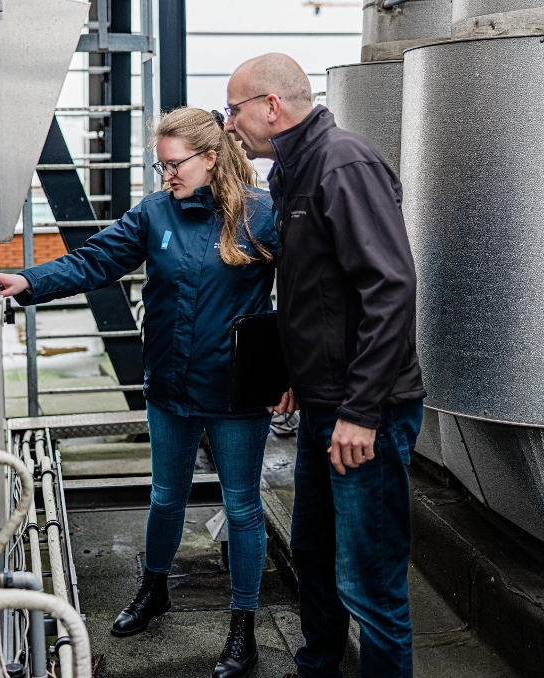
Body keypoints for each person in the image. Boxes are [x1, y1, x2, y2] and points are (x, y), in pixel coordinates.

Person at [0, 107, 281, 678]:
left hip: (236, 393)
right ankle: (155, 590)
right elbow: (97, 260)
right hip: (170, 385)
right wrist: (30, 282)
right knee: (164, 497)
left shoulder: (262, 216)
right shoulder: (156, 213)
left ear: (211, 156)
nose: (167, 176)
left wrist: (293, 375)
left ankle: (242, 627)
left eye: (174, 165)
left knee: (243, 507)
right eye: (160, 166)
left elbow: (303, 296)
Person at [224, 54, 425, 678]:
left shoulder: (342, 164)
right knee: (313, 554)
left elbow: (390, 289)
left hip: (365, 414)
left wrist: (362, 412)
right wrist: (293, 371)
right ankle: (317, 667)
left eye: (234, 111)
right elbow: (316, 293)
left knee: (368, 581)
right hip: (322, 404)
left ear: (271, 107)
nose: (230, 125)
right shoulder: (294, 171)